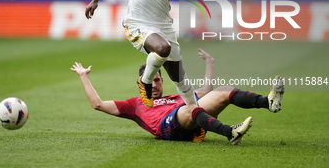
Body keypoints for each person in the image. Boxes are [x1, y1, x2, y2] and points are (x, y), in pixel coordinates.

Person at [70, 48, 285, 144]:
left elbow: (207, 91)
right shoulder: (134, 105)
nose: (153, 85)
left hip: (186, 116)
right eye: (149, 81)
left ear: (162, 81)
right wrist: (83, 76)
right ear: (141, 84)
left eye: (157, 80)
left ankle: (269, 103)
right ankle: (230, 132)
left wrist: (210, 63)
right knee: (190, 108)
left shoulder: (175, 97)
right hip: (167, 127)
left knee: (224, 90)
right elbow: (97, 104)